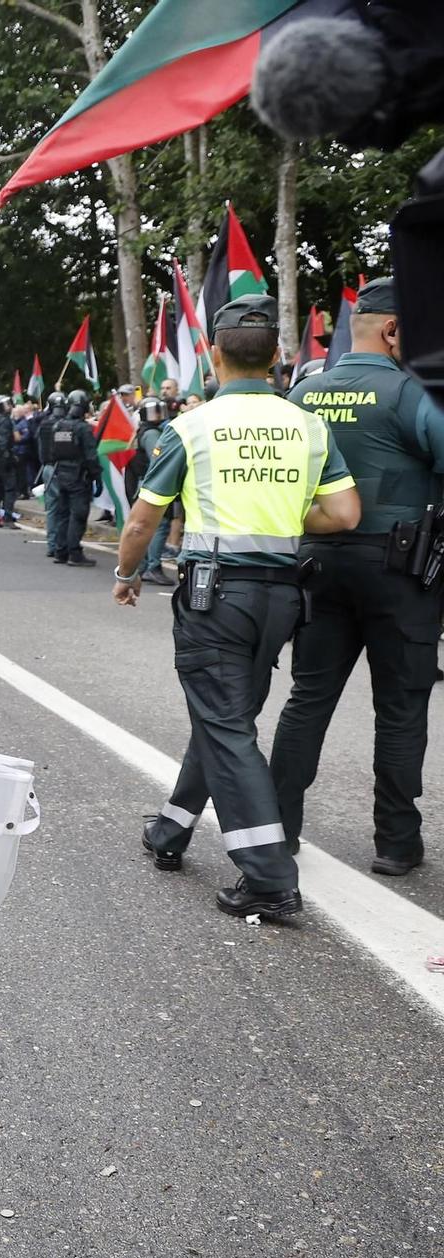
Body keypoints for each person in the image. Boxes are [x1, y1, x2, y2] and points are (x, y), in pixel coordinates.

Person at [115, 294, 359, 919]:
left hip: (215, 596)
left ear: (214, 356)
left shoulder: (191, 427)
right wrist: (281, 515)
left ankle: (270, 877)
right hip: (282, 598)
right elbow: (343, 514)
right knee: (223, 714)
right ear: (278, 358)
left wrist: (126, 573)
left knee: (226, 725)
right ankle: (170, 829)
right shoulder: (307, 425)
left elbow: (145, 518)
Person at [272, 278, 444, 877]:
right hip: (402, 572)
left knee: (308, 698)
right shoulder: (414, 394)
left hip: (318, 562)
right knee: (400, 707)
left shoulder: (303, 394)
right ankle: (396, 843)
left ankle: (276, 827)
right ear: (394, 330)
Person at [39, 391, 95, 566]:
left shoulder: (58, 426)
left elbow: (52, 452)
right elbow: (91, 457)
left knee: (62, 514)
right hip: (78, 476)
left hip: (60, 473)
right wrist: (96, 476)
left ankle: (60, 551)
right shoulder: (83, 428)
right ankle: (74, 553)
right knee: (77, 515)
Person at [133, 396, 176, 583]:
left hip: (144, 482)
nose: (158, 415)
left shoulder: (148, 431)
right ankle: (153, 566)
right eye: (154, 411)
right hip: (152, 483)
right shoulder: (151, 434)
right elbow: (157, 460)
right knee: (160, 525)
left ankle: (143, 566)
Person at [0, 398, 22, 527]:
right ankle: (7, 517)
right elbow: (3, 441)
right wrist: (7, 456)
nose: (11, 406)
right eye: (8, 404)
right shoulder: (5, 421)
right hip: (3, 458)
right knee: (9, 489)